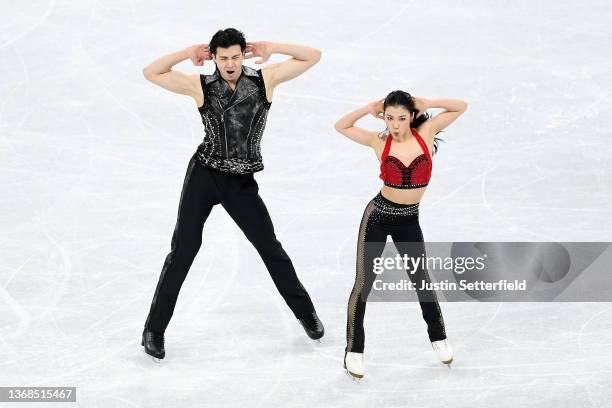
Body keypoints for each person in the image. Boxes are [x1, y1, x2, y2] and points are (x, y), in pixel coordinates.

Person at [140, 28, 324, 360]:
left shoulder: (264, 80)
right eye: (222, 58)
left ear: (243, 55)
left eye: (235, 57)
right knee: (183, 250)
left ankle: (305, 312)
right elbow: (151, 72)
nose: (229, 64)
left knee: (269, 246)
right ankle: (154, 330)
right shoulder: (201, 86)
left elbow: (313, 56)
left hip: (240, 182)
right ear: (213, 57)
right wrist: (186, 52)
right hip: (204, 175)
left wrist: (275, 46)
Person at [334, 90, 468, 378]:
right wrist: (366, 108)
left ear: (412, 117)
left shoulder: (427, 133)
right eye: (390, 118)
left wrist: (429, 103)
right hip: (378, 217)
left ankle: (439, 337)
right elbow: (341, 126)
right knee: (364, 283)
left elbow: (460, 106)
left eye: (402, 118)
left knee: (421, 279)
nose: (395, 125)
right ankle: (353, 351)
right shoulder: (378, 141)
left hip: (408, 221)